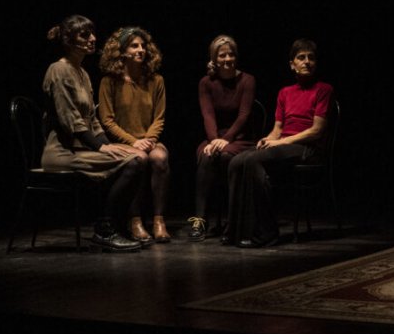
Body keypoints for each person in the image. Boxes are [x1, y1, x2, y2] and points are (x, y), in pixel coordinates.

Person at [41, 15, 146, 252]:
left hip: (82, 148)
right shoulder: (58, 70)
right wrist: (100, 147)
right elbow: (71, 120)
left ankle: (116, 225)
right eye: (84, 34)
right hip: (63, 152)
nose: (92, 38)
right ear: (68, 40)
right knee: (132, 163)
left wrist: (108, 144)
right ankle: (105, 229)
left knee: (137, 157)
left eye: (92, 33)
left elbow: (93, 120)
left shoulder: (82, 72)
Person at [225, 38, 334, 248]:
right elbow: (278, 129)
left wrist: (282, 142)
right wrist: (269, 139)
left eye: (311, 58)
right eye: (301, 58)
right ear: (292, 64)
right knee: (237, 161)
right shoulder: (285, 92)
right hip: (286, 146)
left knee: (254, 161)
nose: (307, 62)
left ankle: (266, 233)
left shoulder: (324, 89)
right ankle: (236, 231)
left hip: (308, 149)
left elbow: (317, 131)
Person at [98, 26, 172, 245]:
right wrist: (134, 142)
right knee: (139, 159)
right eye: (134, 46)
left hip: (148, 139)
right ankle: (135, 220)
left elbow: (159, 117)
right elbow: (107, 120)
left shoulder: (156, 80)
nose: (141, 50)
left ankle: (159, 220)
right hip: (123, 142)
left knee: (160, 158)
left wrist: (149, 139)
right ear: (122, 51)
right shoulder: (109, 81)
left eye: (143, 46)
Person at [187, 34, 257, 242]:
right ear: (214, 59)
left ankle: (232, 221)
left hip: (241, 138)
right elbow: (207, 115)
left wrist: (226, 139)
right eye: (222, 55)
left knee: (226, 157)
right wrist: (213, 140)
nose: (227, 59)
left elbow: (244, 115)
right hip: (215, 138)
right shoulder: (206, 82)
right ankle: (200, 220)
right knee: (206, 155)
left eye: (231, 54)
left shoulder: (247, 80)